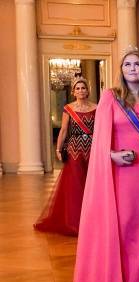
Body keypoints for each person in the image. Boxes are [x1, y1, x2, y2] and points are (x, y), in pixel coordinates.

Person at [73, 47, 139, 282]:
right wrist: (111, 155)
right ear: (121, 70)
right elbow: (100, 139)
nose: (133, 68)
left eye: (137, 63)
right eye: (127, 65)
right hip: (121, 174)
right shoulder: (110, 97)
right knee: (125, 227)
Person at [34, 77, 96, 235]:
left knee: (91, 184)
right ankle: (74, 221)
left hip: (92, 149)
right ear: (73, 92)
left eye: (83, 88)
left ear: (87, 90)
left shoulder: (96, 107)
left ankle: (92, 220)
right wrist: (58, 149)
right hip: (74, 149)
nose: (81, 90)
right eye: (78, 88)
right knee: (75, 184)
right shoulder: (68, 108)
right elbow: (63, 130)